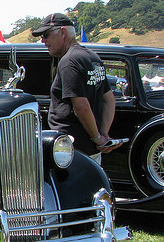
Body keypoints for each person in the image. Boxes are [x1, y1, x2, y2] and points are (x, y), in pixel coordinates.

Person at [32, 13, 121, 164]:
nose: (43, 41)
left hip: (71, 151)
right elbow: (109, 100)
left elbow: (81, 107)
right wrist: (102, 135)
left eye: (46, 35)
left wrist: (98, 138)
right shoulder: (93, 57)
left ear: (63, 32)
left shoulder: (69, 61)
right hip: (90, 150)